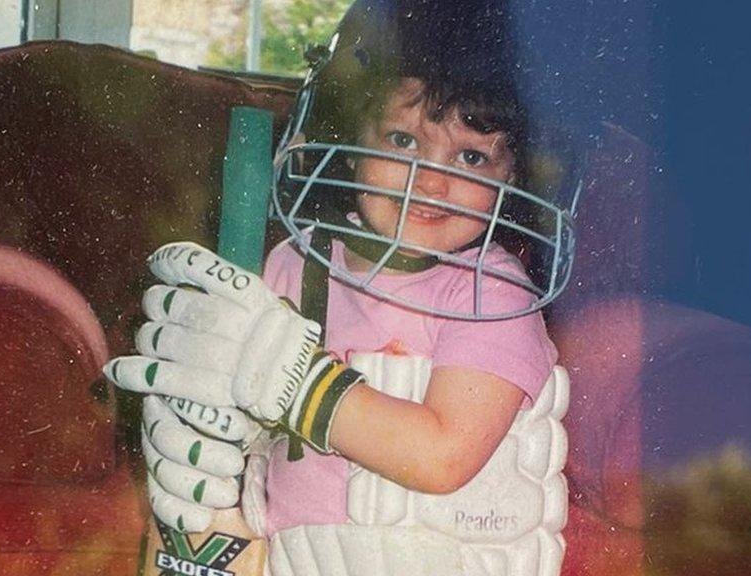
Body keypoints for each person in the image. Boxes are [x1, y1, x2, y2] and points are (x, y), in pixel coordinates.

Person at [106, 1, 576, 574]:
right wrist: (199, 423)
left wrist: (295, 385)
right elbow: (238, 426)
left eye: (472, 156)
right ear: (350, 138)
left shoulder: (493, 295)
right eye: (403, 142)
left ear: (513, 176)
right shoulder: (294, 266)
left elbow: (442, 456)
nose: (430, 181)